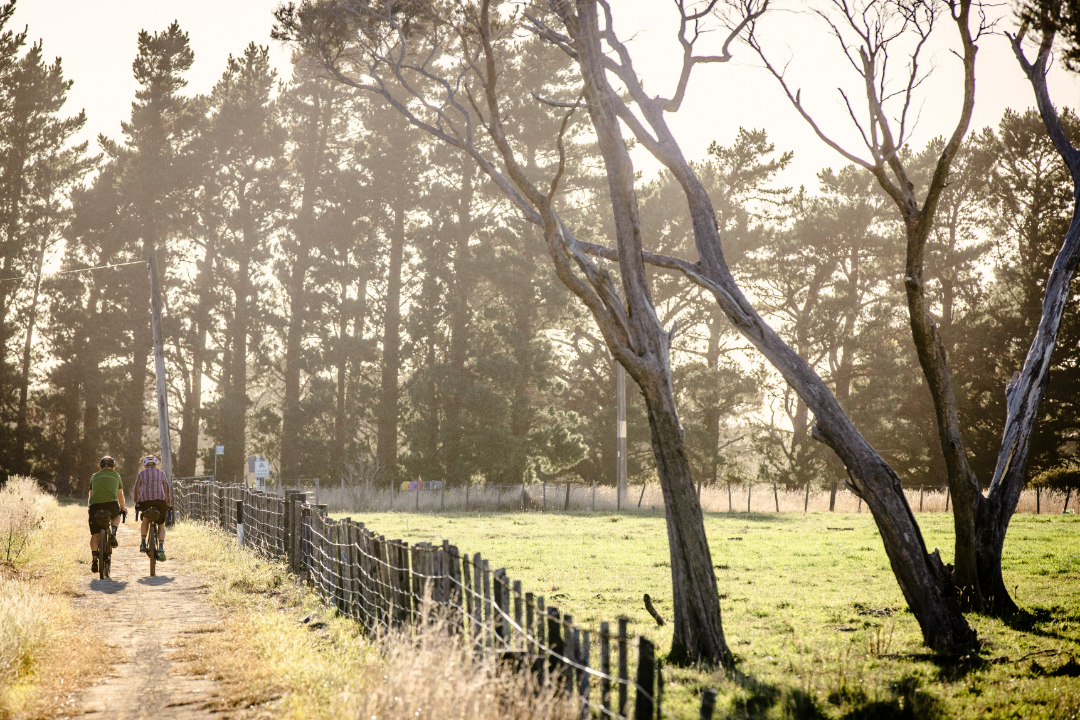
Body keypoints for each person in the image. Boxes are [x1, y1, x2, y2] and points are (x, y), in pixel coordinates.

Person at [88, 456, 126, 574]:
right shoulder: (116, 475)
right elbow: (120, 495)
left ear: (100, 467)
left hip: (95, 506)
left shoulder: (94, 476)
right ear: (113, 467)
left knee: (95, 535)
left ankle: (94, 559)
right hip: (111, 505)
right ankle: (113, 532)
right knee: (117, 514)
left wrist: (90, 508)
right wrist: (123, 508)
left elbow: (91, 495)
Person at [133, 455, 171, 561]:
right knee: (161, 524)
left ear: (145, 465)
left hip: (145, 500)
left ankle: (143, 543)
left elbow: (136, 489)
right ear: (156, 464)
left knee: (145, 519)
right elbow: (166, 489)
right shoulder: (161, 473)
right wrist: (168, 503)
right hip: (160, 501)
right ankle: (161, 547)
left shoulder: (141, 474)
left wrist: (137, 502)